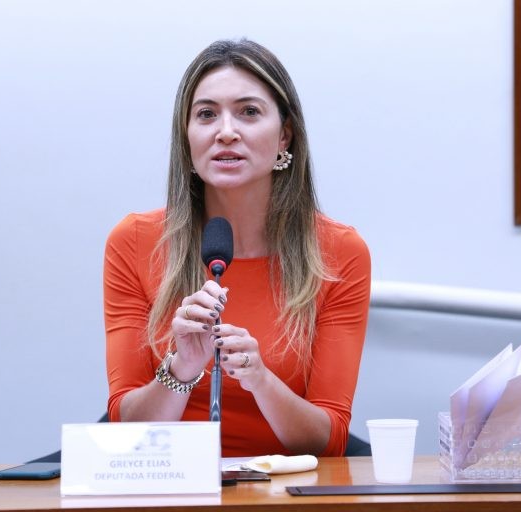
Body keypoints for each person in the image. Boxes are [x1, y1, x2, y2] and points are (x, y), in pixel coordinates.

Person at [104, 39, 371, 457]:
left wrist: (260, 378)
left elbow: (329, 440)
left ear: (285, 135)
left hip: (284, 493)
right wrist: (182, 368)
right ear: (187, 137)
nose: (226, 132)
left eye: (249, 112)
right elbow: (125, 431)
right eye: (207, 114)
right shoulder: (134, 241)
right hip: (168, 485)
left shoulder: (339, 252)